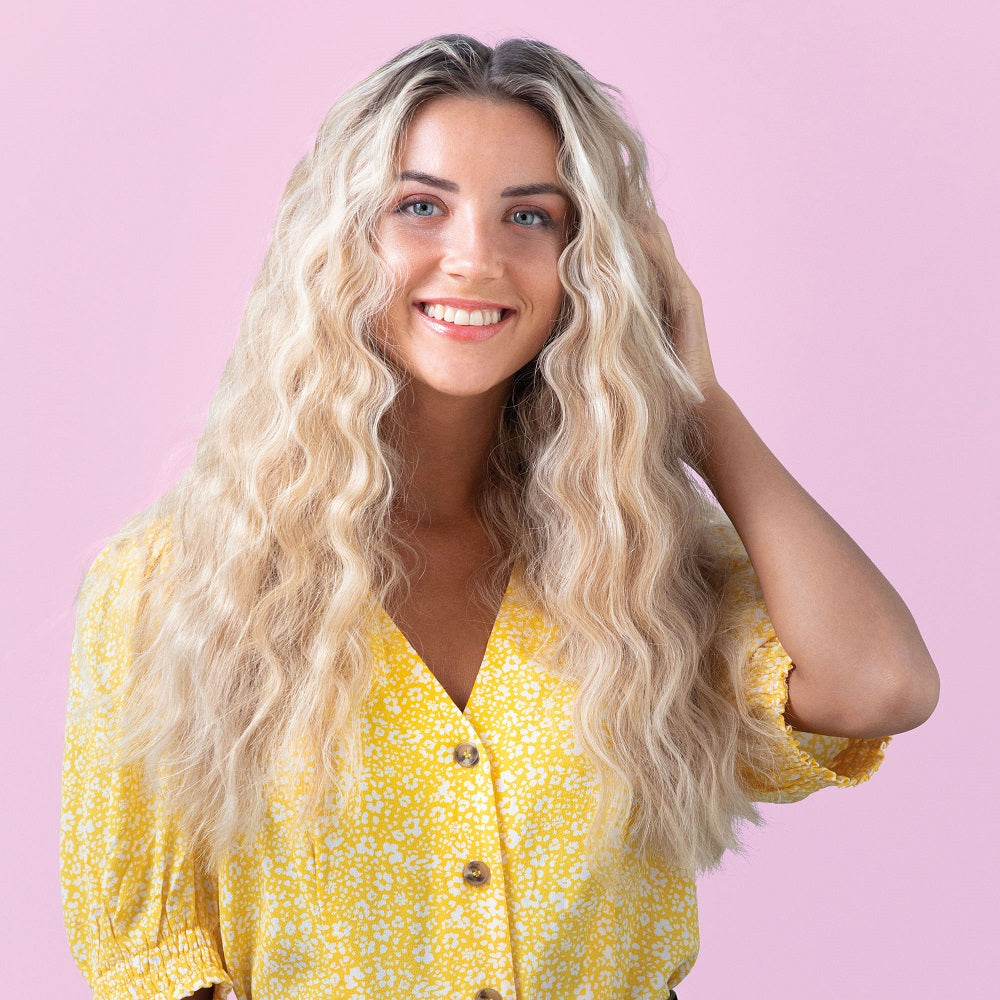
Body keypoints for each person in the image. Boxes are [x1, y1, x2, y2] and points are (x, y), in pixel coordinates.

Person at [60, 34, 939, 1000]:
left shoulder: (646, 569)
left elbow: (880, 688)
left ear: (590, 263)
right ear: (340, 241)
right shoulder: (173, 585)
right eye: (419, 206)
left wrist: (694, 401)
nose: (475, 257)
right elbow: (146, 956)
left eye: (531, 215)